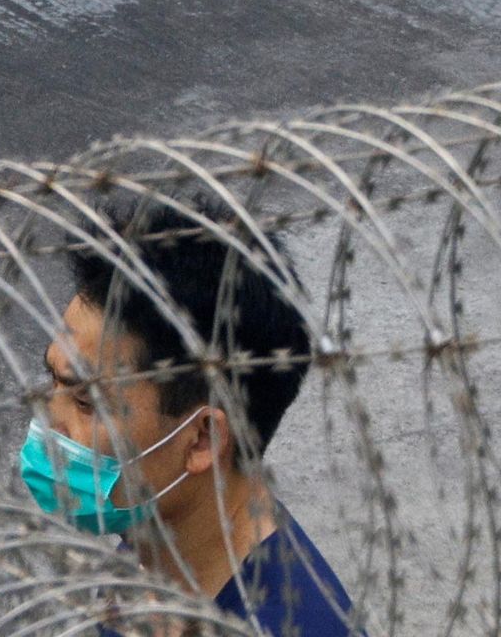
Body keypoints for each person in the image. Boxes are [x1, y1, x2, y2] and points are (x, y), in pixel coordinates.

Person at [19, 200, 362, 636]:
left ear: (202, 439)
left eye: (87, 402)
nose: (50, 419)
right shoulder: (158, 546)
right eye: (54, 379)